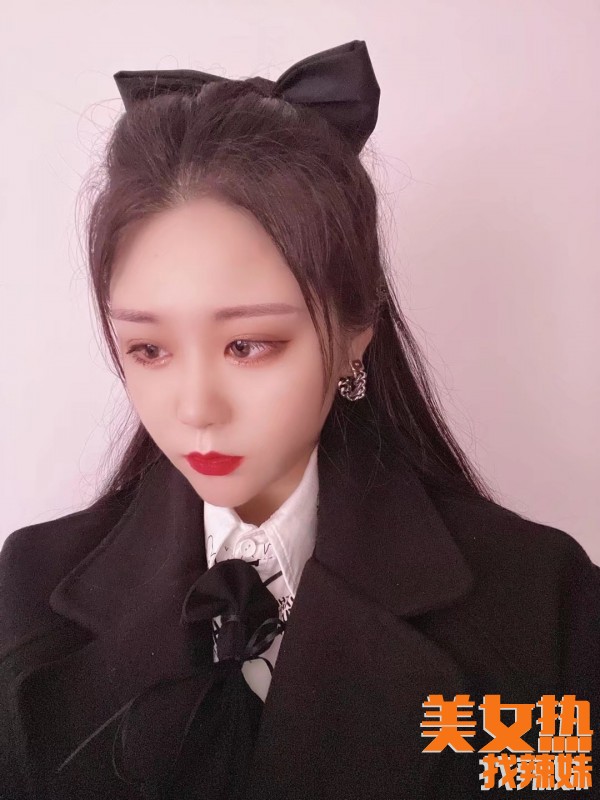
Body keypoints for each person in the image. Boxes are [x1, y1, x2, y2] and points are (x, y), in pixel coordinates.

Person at [1, 40, 598, 800]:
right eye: (149, 349)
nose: (195, 407)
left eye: (248, 345)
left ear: (354, 332)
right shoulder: (28, 587)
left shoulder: (542, 600)